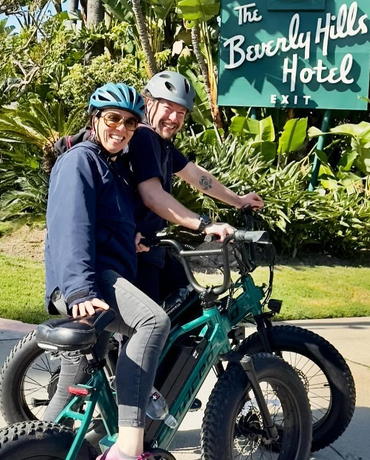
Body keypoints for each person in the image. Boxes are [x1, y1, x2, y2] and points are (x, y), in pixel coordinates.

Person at [44, 82, 167, 460]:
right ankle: (128, 457)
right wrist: (79, 289)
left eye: (131, 122)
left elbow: (104, 221)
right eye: (113, 118)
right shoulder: (80, 161)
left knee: (73, 380)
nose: (122, 128)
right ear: (95, 118)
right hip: (90, 282)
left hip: (102, 276)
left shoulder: (111, 166)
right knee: (153, 322)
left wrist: (129, 235)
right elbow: (69, 227)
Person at [58, 71, 264, 303]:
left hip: (153, 247)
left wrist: (238, 200)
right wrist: (205, 225)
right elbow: (152, 196)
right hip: (137, 252)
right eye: (168, 108)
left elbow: (195, 175)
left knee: (191, 304)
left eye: (181, 113)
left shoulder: (160, 142)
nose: (174, 118)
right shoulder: (144, 138)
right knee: (153, 326)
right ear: (149, 104)